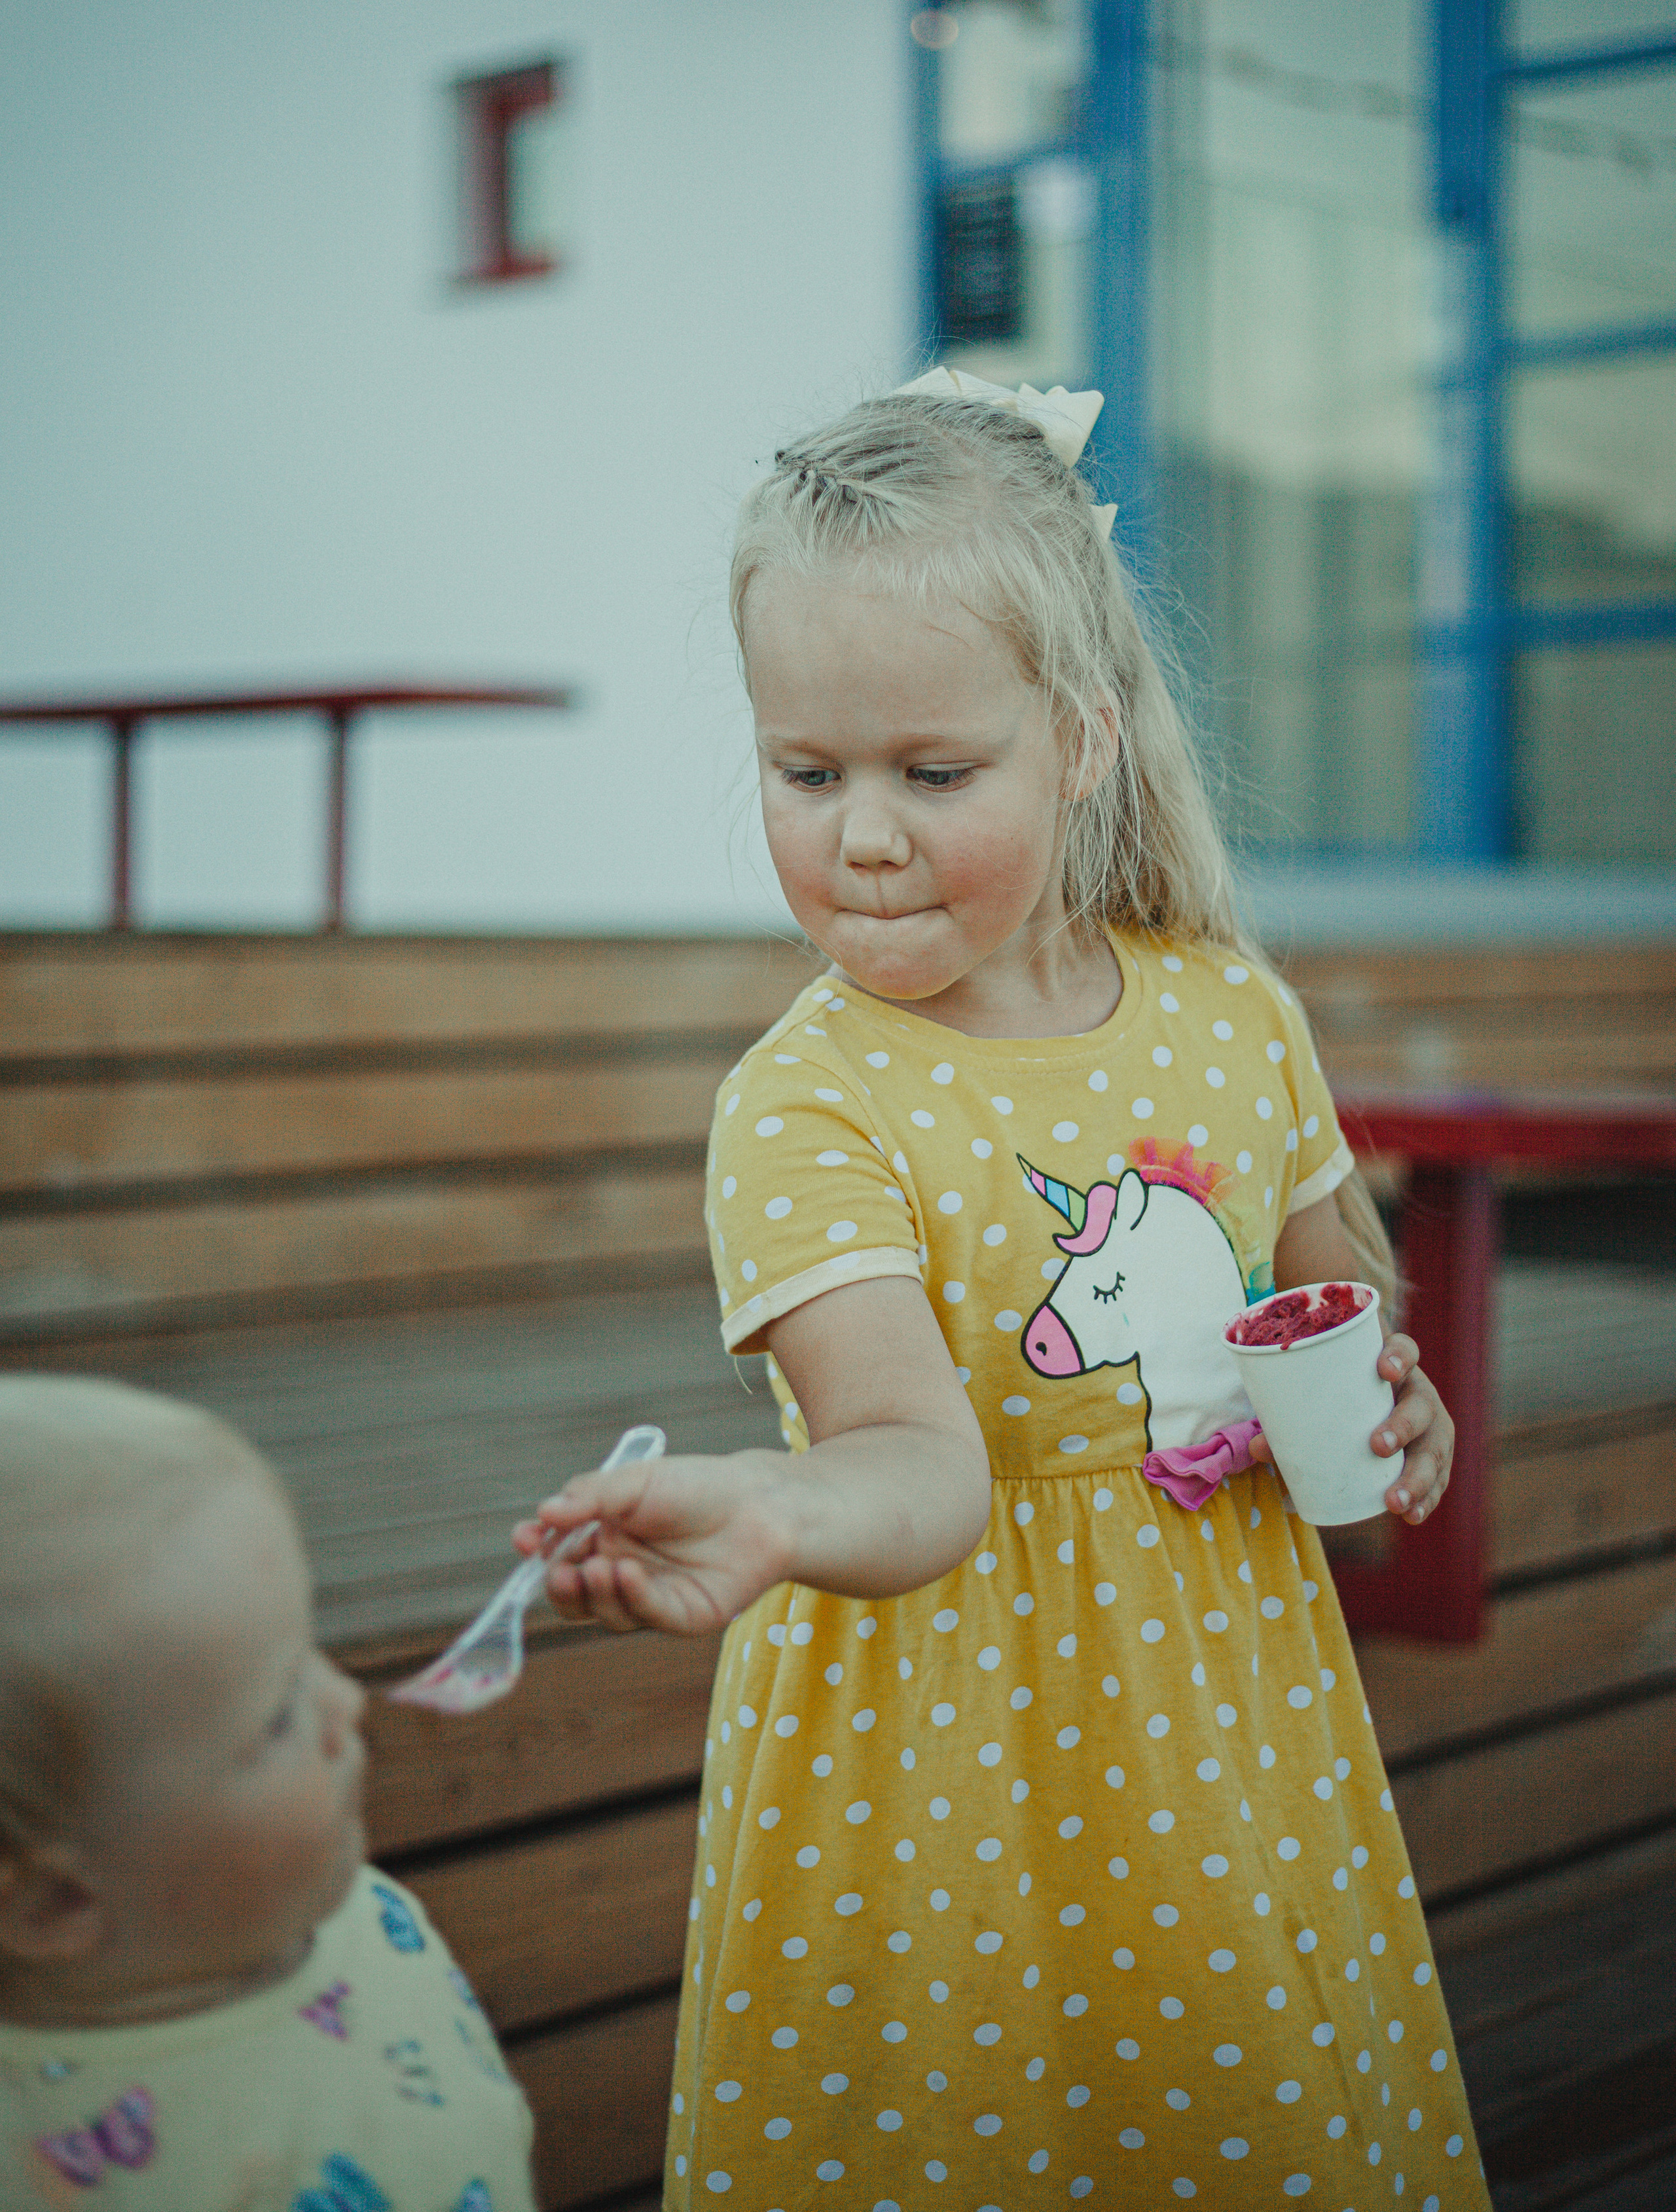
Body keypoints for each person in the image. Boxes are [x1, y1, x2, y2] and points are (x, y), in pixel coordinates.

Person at [520, 371, 1487, 2207]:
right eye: (808, 773)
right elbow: (912, 1450)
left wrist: (1392, 1397)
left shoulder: (1230, 1015)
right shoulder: (809, 1103)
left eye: (932, 772)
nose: (863, 834)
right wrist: (775, 1506)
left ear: (1082, 741)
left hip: (1224, 1727)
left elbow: (1331, 1301)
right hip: (941, 1767)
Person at [0, 1376, 537, 2212]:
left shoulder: (346, 1910)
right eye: (279, 1713)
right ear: (52, 1903)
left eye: (310, 1648)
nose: (346, 1700)